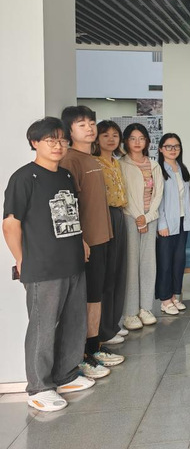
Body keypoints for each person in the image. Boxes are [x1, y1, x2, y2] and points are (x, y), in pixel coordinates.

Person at [3, 118, 96, 411]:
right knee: (43, 326)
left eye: (61, 140)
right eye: (50, 140)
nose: (57, 145)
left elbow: (70, 214)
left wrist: (81, 241)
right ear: (35, 143)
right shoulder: (24, 178)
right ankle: (39, 387)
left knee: (73, 322)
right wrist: (21, 260)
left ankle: (65, 375)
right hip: (42, 266)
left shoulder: (65, 175)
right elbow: (10, 224)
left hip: (72, 261)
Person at [60, 106, 118, 378]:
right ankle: (81, 354)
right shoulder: (70, 160)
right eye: (82, 124)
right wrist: (81, 239)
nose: (90, 128)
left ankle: (94, 346)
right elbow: (68, 206)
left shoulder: (92, 158)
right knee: (86, 297)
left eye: (91, 123)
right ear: (69, 131)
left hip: (102, 236)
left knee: (97, 294)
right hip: (87, 242)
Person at [119, 124, 164, 329]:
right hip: (130, 218)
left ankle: (146, 307)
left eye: (141, 138)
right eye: (132, 138)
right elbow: (124, 194)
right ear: (126, 141)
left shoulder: (153, 165)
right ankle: (130, 312)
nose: (137, 142)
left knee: (148, 263)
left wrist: (148, 216)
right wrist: (138, 217)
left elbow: (158, 193)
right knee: (131, 264)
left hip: (150, 218)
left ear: (147, 141)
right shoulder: (121, 164)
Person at [94, 121, 129, 346]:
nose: (110, 139)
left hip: (119, 214)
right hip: (104, 215)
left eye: (115, 135)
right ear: (97, 139)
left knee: (118, 270)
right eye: (105, 135)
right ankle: (104, 329)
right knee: (107, 273)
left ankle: (113, 323)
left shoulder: (116, 162)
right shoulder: (94, 163)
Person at [156, 134, 190, 315]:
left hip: (182, 220)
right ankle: (165, 300)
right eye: (168, 146)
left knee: (179, 260)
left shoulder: (181, 168)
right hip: (167, 222)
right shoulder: (158, 169)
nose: (173, 150)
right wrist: (161, 223)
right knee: (165, 262)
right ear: (161, 149)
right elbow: (158, 200)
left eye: (176, 146)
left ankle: (174, 296)